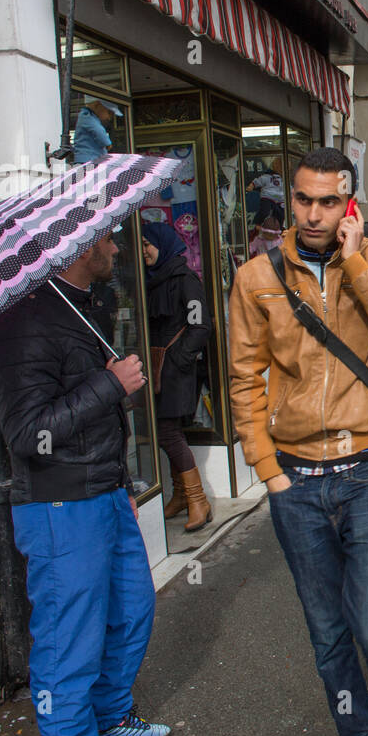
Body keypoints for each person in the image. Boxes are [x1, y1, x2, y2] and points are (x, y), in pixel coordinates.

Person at [228, 146, 368, 736]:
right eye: (302, 199)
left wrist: (357, 264)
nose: (313, 214)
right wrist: (267, 469)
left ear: (349, 204)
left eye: (328, 201)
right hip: (296, 479)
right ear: (290, 199)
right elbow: (244, 378)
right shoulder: (256, 277)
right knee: (328, 633)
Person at [0, 231, 171, 736]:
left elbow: (88, 410)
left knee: (131, 611)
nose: (115, 250)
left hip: (105, 492)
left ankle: (110, 717)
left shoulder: (83, 307)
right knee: (69, 644)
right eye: (108, 240)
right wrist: (110, 385)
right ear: (81, 248)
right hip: (59, 505)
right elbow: (26, 434)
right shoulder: (20, 325)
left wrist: (121, 482)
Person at [141, 222, 213, 532]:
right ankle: (182, 495)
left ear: (162, 243)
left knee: (167, 431)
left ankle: (198, 500)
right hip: (157, 368)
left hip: (175, 371)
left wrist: (179, 359)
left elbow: (200, 325)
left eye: (148, 244)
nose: (143, 251)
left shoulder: (185, 280)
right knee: (164, 431)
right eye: (141, 244)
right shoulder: (152, 280)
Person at [72, 97, 120, 165]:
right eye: (109, 113)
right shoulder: (86, 116)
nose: (109, 117)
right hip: (87, 159)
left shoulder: (92, 118)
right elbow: (98, 130)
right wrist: (107, 143)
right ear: (98, 106)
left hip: (93, 158)